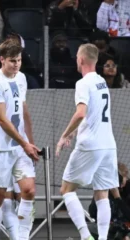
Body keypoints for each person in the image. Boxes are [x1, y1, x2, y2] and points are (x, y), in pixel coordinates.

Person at [56, 43, 119, 240]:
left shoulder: (83, 83)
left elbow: (81, 113)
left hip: (90, 145)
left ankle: (85, 236)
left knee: (66, 190)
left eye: (76, 56)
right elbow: (93, 115)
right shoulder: (102, 81)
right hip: (108, 145)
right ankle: (101, 238)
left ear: (81, 59)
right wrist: (77, 131)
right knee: (102, 195)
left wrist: (64, 135)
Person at [0, 39, 39, 240]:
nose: (16, 64)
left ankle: (22, 238)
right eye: (12, 61)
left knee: (29, 191)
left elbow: (23, 111)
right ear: (2, 60)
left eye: (19, 60)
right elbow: (2, 119)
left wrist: (29, 142)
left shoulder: (21, 78)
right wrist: (24, 143)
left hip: (20, 147)